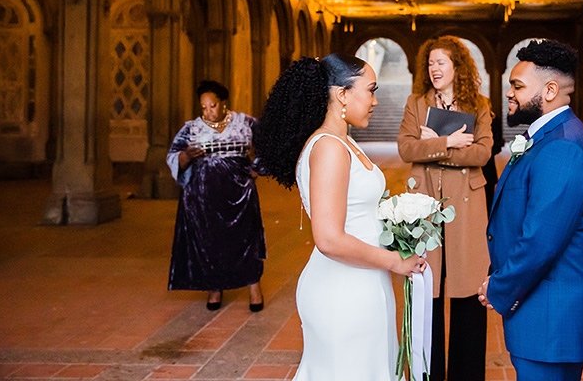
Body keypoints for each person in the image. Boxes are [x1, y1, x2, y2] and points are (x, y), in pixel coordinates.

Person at [254, 55, 425, 380]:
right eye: (371, 90)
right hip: (343, 290)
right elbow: (329, 238)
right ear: (343, 94)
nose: (375, 101)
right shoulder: (329, 147)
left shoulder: (342, 141)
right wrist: (393, 261)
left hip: (362, 280)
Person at [479, 39, 583, 381]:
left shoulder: (563, 146)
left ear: (550, 90)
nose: (510, 93)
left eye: (518, 86)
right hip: (545, 313)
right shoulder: (548, 137)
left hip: (554, 316)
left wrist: (499, 287)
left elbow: (541, 240)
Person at [397, 35, 493, 381]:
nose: (433, 69)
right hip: (425, 208)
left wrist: (432, 145)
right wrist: (450, 142)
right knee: (428, 292)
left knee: (468, 291)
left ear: (457, 67)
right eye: (430, 63)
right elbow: (407, 149)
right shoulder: (416, 103)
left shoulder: (479, 105)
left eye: (441, 62)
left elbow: (482, 153)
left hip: (466, 209)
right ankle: (428, 374)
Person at [166, 80, 265, 312]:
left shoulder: (245, 122)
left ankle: (254, 288)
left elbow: (268, 143)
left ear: (223, 104)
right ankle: (215, 287)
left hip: (238, 193)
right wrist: (187, 156)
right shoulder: (191, 129)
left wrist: (257, 168)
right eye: (203, 108)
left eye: (212, 106)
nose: (207, 112)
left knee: (245, 238)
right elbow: (172, 155)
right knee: (210, 241)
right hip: (203, 196)